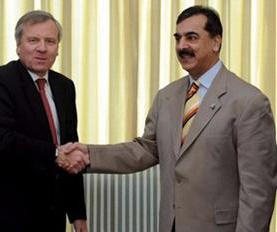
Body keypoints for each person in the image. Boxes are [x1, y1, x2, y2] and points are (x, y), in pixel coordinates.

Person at [57, 5, 277, 232]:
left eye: (192, 38)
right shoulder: (167, 97)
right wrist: (90, 155)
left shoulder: (249, 102)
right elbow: (145, 150)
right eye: (178, 38)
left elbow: (258, 192)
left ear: (216, 42)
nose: (182, 46)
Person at [0, 10, 87, 232]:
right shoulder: (0, 81)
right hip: (3, 214)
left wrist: (78, 213)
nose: (42, 48)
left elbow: (70, 146)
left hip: (50, 213)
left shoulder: (64, 87)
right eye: (33, 40)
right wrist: (53, 153)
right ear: (18, 45)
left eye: (50, 41)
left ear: (57, 49)